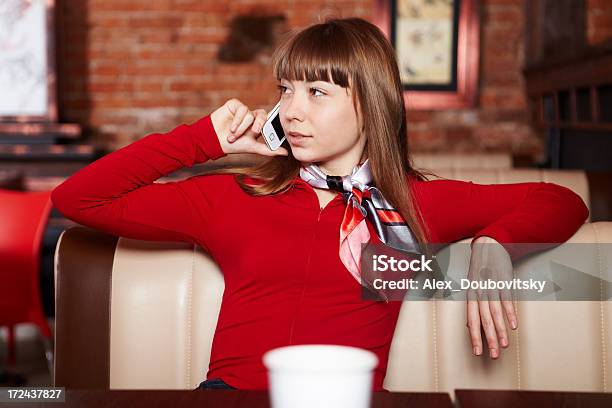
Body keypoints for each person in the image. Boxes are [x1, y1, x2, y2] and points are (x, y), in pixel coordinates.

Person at [50, 17, 589, 391]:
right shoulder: (238, 195)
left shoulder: (417, 202)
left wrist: (495, 246)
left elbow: (559, 200)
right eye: (286, 90)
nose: (291, 111)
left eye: (316, 93)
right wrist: (204, 139)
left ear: (369, 105)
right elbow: (77, 198)